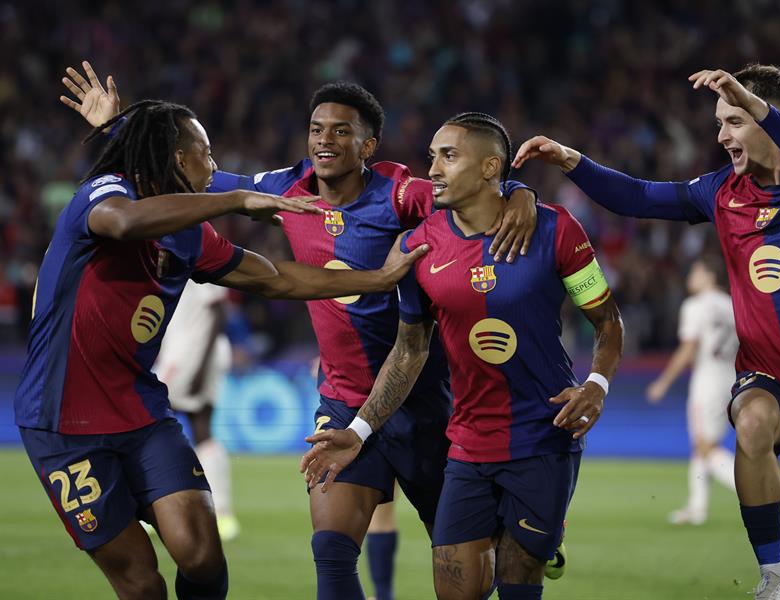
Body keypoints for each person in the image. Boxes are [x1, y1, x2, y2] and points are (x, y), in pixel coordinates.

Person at [60, 61, 538, 600]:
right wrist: (117, 127)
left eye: (341, 131)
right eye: (316, 129)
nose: (325, 140)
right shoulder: (286, 190)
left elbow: (471, 188)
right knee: (332, 556)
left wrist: (519, 192)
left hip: (422, 402)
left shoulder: (402, 193)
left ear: (368, 145)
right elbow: (187, 170)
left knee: (472, 564)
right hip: (341, 402)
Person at [19, 88, 426, 599]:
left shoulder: (191, 237)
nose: (214, 164)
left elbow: (277, 278)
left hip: (141, 414)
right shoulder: (104, 191)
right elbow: (123, 221)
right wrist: (233, 199)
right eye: (205, 153)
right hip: (63, 423)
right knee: (142, 584)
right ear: (176, 159)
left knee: (204, 559)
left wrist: (379, 279)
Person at [512, 65, 780, 600]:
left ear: (771, 119)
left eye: (734, 121)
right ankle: (774, 577)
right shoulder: (722, 191)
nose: (722, 136)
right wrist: (572, 161)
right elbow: (641, 197)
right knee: (753, 420)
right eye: (720, 122)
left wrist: (759, 107)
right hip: (771, 378)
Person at [301, 112, 624, 600]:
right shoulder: (417, 245)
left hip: (544, 435)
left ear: (491, 167)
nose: (432, 169)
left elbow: (608, 322)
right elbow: (409, 351)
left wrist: (596, 385)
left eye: (448, 156)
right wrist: (359, 429)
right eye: (432, 156)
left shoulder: (557, 230)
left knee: (519, 583)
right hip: (467, 446)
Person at [646, 254, 737, 525]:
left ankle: (753, 491)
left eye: (695, 272)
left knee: (705, 447)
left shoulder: (696, 306)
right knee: (703, 447)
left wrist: (663, 383)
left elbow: (689, 348)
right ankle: (697, 508)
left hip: (707, 382)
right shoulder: (732, 305)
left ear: (709, 276)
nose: (690, 278)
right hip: (730, 379)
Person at [154, 279, 239, 541]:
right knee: (201, 430)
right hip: (188, 353)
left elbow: (217, 310)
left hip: (190, 355)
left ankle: (156, 507)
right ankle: (221, 513)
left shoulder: (191, 250)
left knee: (154, 426)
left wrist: (200, 366)